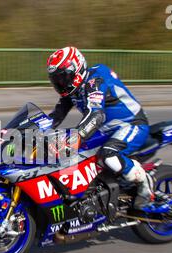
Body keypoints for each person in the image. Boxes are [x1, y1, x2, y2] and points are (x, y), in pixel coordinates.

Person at [47, 46, 155, 211]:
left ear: (76, 70)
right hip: (107, 129)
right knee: (80, 154)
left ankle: (143, 180)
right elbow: (57, 115)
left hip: (131, 123)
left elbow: (96, 115)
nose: (60, 83)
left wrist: (76, 137)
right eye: (56, 79)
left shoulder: (94, 81)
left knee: (108, 154)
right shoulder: (72, 90)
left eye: (63, 77)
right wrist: (28, 132)